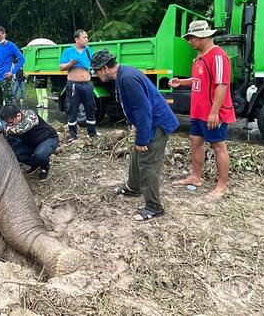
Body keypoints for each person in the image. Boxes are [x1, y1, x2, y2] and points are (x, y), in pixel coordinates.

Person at [91, 49, 179, 221]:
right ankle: (133, 188)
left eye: (96, 71)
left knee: (147, 163)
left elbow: (143, 109)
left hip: (157, 123)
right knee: (136, 155)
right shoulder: (123, 75)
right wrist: (135, 124)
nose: (96, 75)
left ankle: (154, 207)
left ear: (104, 69)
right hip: (149, 121)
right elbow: (136, 105)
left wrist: (142, 138)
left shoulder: (127, 78)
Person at [170, 21, 236, 199]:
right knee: (195, 141)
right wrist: (182, 82)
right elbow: (199, 79)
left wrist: (214, 112)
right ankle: (195, 177)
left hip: (213, 113)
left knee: (218, 146)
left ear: (203, 37)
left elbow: (222, 85)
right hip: (198, 111)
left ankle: (222, 186)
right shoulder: (200, 57)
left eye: (191, 38)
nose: (189, 41)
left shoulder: (218, 57)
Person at [0, 104, 59, 181]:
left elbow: (21, 129)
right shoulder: (12, 122)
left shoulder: (30, 115)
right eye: (8, 122)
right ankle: (36, 164)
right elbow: (9, 132)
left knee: (40, 154)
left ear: (18, 115)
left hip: (48, 139)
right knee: (15, 153)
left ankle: (45, 167)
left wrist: (2, 130)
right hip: (31, 142)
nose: (10, 124)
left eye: (11, 122)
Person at [59, 30, 97, 140]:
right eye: (84, 37)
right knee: (72, 109)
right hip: (74, 85)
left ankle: (92, 134)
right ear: (77, 39)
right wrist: (71, 63)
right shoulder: (68, 51)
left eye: (87, 37)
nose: (86, 39)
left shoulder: (89, 51)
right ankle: (73, 135)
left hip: (87, 84)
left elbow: (94, 65)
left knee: (90, 108)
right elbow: (61, 67)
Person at [0, 26, 24, 116]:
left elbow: (22, 59)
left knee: (9, 102)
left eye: (0, 36)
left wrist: (12, 72)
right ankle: (0, 120)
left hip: (6, 78)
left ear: (4, 34)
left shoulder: (11, 46)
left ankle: (12, 120)